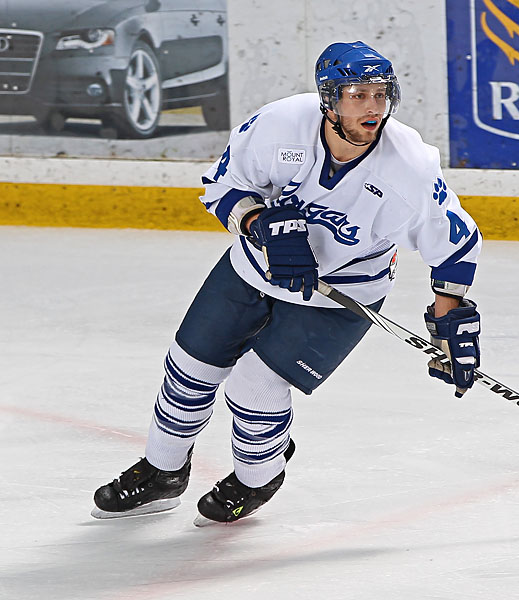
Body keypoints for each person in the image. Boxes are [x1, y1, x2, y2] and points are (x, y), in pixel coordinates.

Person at [92, 41, 482, 525]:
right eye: (358, 94)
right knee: (187, 371)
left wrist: (449, 320)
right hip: (252, 268)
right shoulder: (278, 125)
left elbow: (456, 243)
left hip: (345, 292)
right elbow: (223, 187)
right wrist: (258, 223)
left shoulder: (411, 168)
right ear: (328, 99)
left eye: (382, 94)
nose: (373, 107)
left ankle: (258, 479)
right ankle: (161, 473)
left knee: (254, 388)